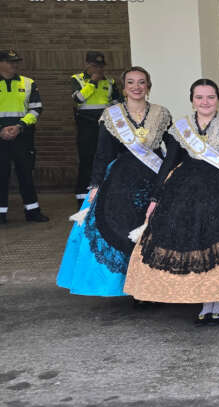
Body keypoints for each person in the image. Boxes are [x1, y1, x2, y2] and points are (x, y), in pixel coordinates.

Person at [124, 79, 219, 325]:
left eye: (210, 97)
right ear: (192, 100)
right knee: (190, 243)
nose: (205, 102)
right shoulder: (180, 128)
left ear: (218, 100)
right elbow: (169, 163)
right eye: (200, 97)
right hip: (184, 191)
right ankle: (202, 297)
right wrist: (155, 197)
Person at [58, 67, 171, 298]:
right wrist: (96, 184)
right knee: (121, 230)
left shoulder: (161, 113)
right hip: (121, 180)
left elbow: (172, 149)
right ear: (124, 86)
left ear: (149, 86)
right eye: (131, 82)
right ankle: (129, 286)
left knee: (155, 230)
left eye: (141, 82)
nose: (136, 87)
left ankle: (154, 285)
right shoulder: (112, 115)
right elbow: (102, 153)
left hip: (154, 178)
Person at [0, 48, 47, 223]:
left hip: (22, 136)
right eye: (10, 61)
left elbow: (36, 108)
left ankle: (33, 212)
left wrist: (19, 126)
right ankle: (1, 214)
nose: (14, 65)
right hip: (0, 137)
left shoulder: (28, 83)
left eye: (16, 61)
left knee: (26, 174)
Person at [71, 51, 121, 201]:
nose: (98, 69)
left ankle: (105, 195)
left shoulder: (110, 81)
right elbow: (78, 98)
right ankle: (82, 198)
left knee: (107, 158)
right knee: (87, 160)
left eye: (101, 66)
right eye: (94, 66)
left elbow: (117, 102)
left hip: (105, 125)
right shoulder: (77, 79)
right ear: (87, 64)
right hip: (86, 124)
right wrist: (92, 82)